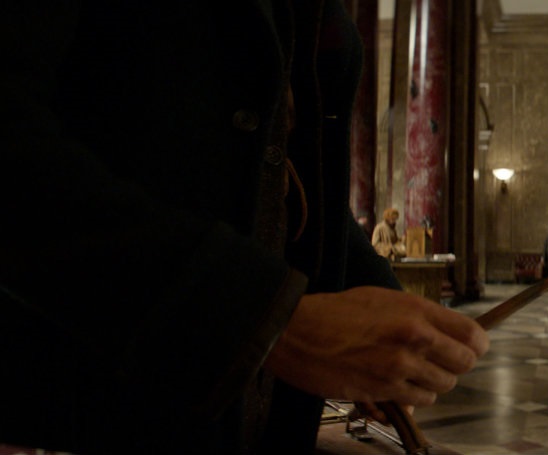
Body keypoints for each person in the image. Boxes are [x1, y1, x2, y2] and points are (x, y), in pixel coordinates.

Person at [0, 2, 488, 455]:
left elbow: (287, 171)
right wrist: (262, 319)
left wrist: (375, 299)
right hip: (85, 392)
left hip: (248, 415)